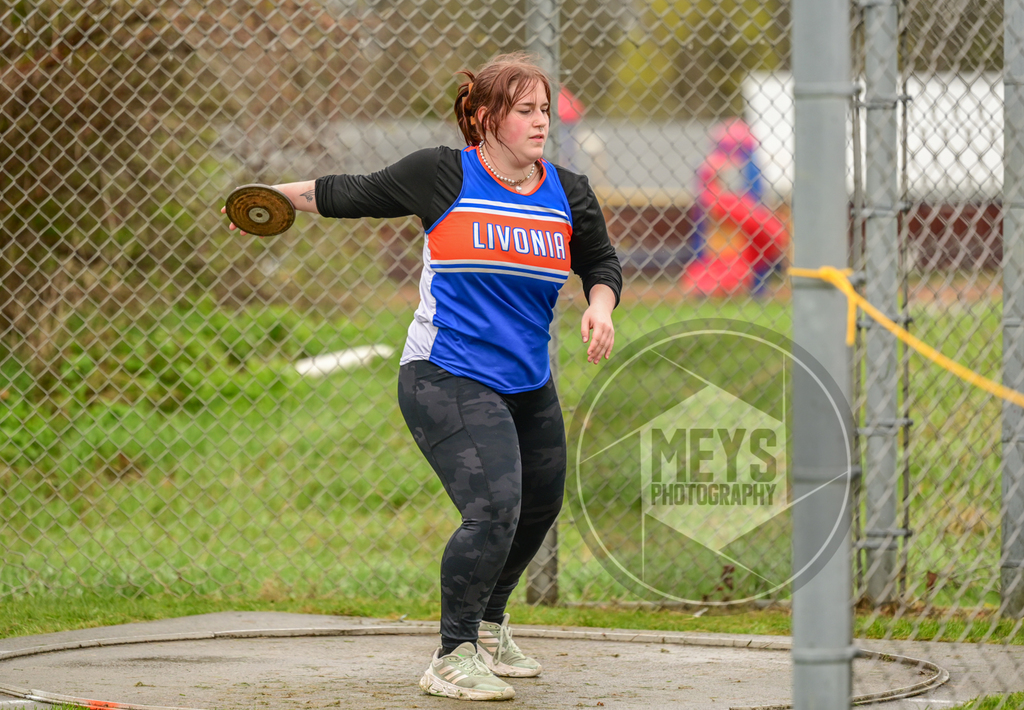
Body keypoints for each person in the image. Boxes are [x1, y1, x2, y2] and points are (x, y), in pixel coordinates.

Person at [223, 52, 622, 701]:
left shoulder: (568, 190)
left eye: (544, 109)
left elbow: (600, 260)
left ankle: (489, 627)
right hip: (446, 372)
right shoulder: (442, 173)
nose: (540, 121)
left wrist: (600, 307)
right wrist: (272, 200)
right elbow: (349, 192)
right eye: (525, 110)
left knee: (539, 506)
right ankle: (452, 653)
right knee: (493, 506)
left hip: (527, 379)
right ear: (487, 117)